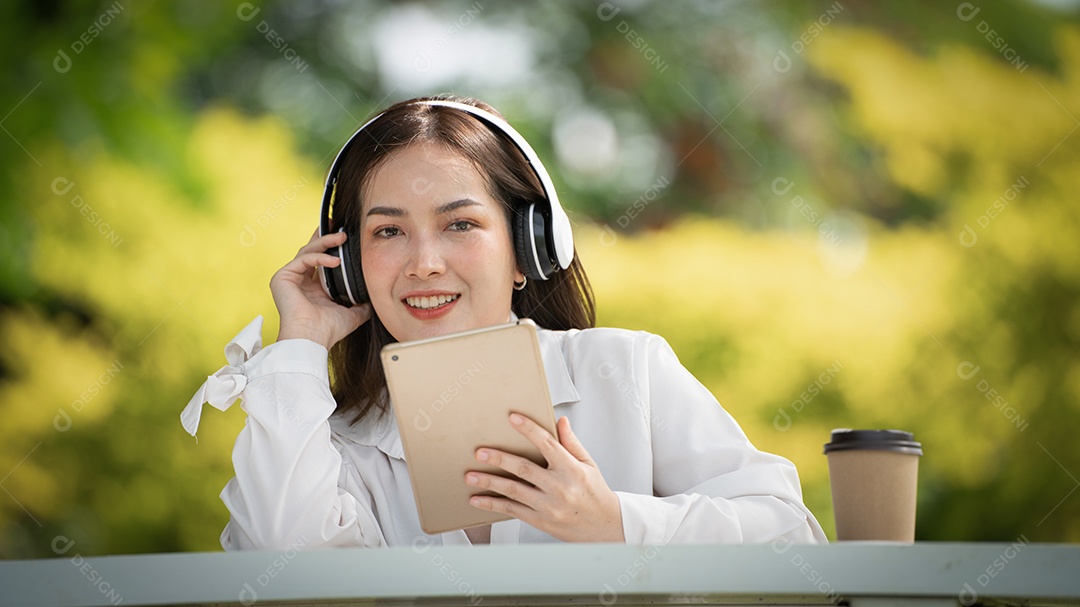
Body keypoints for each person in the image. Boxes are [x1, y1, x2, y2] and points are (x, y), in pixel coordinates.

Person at [182, 95, 827, 549]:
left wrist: (613, 523)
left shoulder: (626, 372)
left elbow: (791, 535)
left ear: (527, 249)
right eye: (388, 232)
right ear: (350, 265)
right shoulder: (332, 442)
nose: (424, 263)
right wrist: (298, 349)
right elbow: (283, 564)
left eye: (460, 223)